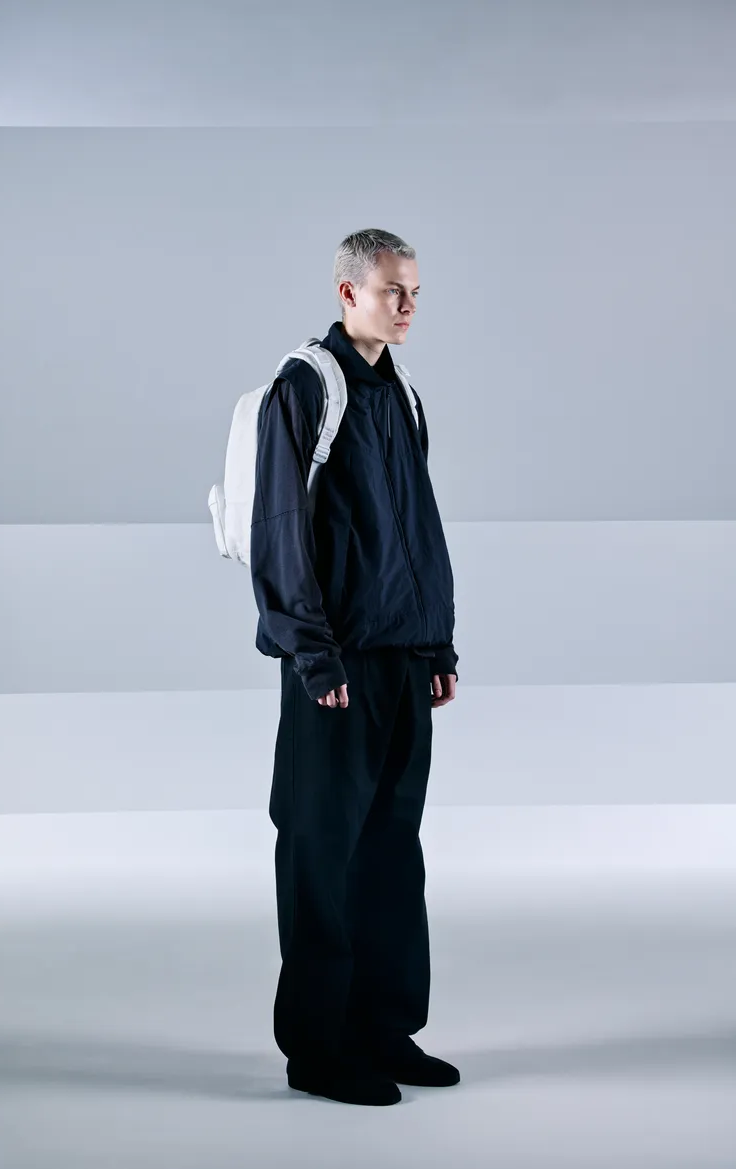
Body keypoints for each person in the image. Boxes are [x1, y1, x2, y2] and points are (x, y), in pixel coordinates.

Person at [250, 228, 460, 1106]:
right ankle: (318, 1049)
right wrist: (312, 651)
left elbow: (419, 527)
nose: (406, 307)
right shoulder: (306, 387)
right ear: (348, 293)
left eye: (414, 292)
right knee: (320, 849)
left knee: (390, 850)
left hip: (401, 659)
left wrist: (436, 642)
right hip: (333, 667)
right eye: (390, 291)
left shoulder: (402, 393)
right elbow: (279, 530)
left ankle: (382, 1028)